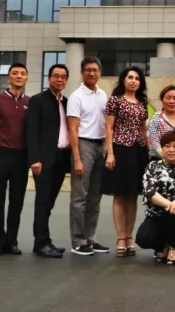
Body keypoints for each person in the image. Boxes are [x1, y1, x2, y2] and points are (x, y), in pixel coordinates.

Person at [103, 65, 150, 257]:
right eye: (130, 77)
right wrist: (110, 153)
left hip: (138, 151)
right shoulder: (115, 100)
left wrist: (150, 153)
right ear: (123, 80)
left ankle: (129, 236)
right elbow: (109, 128)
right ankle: (120, 237)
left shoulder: (142, 102)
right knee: (120, 195)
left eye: (137, 78)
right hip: (120, 149)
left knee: (133, 195)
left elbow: (144, 130)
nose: (133, 81)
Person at [25, 64, 72, 258]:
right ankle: (40, 243)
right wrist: (35, 159)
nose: (59, 79)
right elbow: (32, 131)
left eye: (63, 77)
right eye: (56, 76)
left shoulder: (67, 102)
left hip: (61, 159)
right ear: (49, 78)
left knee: (49, 202)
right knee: (42, 202)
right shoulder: (38, 100)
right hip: (44, 160)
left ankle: (45, 240)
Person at [0, 62, 31, 256]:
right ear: (8, 78)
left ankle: (12, 241)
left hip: (21, 156)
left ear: (26, 78)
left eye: (22, 73)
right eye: (15, 73)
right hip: (1, 154)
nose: (19, 76)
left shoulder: (30, 102)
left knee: (16, 201)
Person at [66, 56, 109, 256]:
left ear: (100, 72)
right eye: (88, 70)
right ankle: (78, 241)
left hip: (101, 146)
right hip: (84, 145)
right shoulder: (76, 97)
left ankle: (90, 238)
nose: (92, 73)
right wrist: (77, 158)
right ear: (82, 72)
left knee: (95, 197)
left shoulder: (103, 95)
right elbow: (73, 129)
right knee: (80, 196)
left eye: (95, 70)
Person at [135, 131, 175, 265]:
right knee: (143, 238)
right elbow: (150, 192)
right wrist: (170, 204)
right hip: (156, 213)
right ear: (162, 148)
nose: (171, 150)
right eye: (167, 146)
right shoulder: (152, 166)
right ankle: (163, 246)